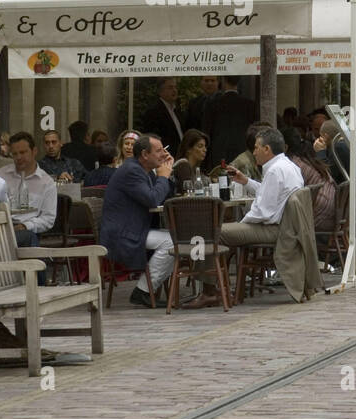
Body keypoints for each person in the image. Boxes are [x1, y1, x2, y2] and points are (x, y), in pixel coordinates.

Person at [185, 127, 305, 308]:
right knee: (224, 232)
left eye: (256, 147)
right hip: (285, 226)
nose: (254, 151)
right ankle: (218, 285)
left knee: (208, 233)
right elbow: (269, 193)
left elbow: (262, 213)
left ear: (267, 149)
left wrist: (240, 225)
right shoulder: (289, 166)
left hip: (273, 229)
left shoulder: (274, 171)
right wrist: (246, 181)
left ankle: (209, 291)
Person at [99, 133, 175, 307]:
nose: (163, 154)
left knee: (175, 238)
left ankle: (148, 289)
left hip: (134, 228)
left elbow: (163, 196)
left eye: (164, 150)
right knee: (172, 242)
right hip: (121, 234)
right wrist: (163, 176)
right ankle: (143, 291)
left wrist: (166, 174)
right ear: (144, 155)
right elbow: (153, 199)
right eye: (158, 151)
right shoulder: (132, 170)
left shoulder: (144, 170)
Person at [0, 132, 57, 248]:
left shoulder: (47, 182)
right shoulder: (2, 174)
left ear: (34, 151)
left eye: (23, 152)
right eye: (15, 154)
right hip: (1, 229)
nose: (18, 157)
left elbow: (48, 219)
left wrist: (25, 226)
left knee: (27, 236)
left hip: (28, 231)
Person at [316, 118, 356, 229]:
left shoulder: (339, 147)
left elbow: (329, 176)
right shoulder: (349, 144)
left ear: (325, 136)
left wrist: (320, 152)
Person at [203, 75, 258, 170]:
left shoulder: (212, 104)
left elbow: (206, 132)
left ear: (223, 80)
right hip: (243, 153)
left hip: (219, 155)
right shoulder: (250, 105)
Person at [141, 77, 185, 155]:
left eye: (175, 87)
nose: (174, 90)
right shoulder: (153, 112)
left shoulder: (177, 111)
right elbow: (152, 138)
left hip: (180, 155)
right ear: (160, 91)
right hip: (165, 156)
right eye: (170, 87)